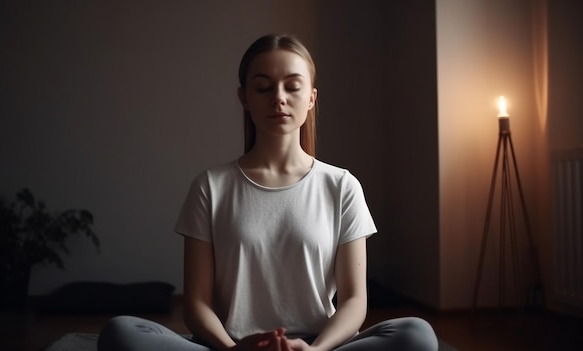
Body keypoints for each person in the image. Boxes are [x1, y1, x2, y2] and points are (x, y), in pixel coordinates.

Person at [98, 34, 438, 351]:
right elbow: (196, 304)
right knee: (122, 332)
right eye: (263, 88)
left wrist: (316, 350)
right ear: (244, 97)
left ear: (311, 99)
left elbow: (353, 301)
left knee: (416, 335)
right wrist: (234, 349)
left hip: (317, 344)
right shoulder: (210, 187)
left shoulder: (341, 186)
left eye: (292, 87)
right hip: (233, 345)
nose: (279, 98)